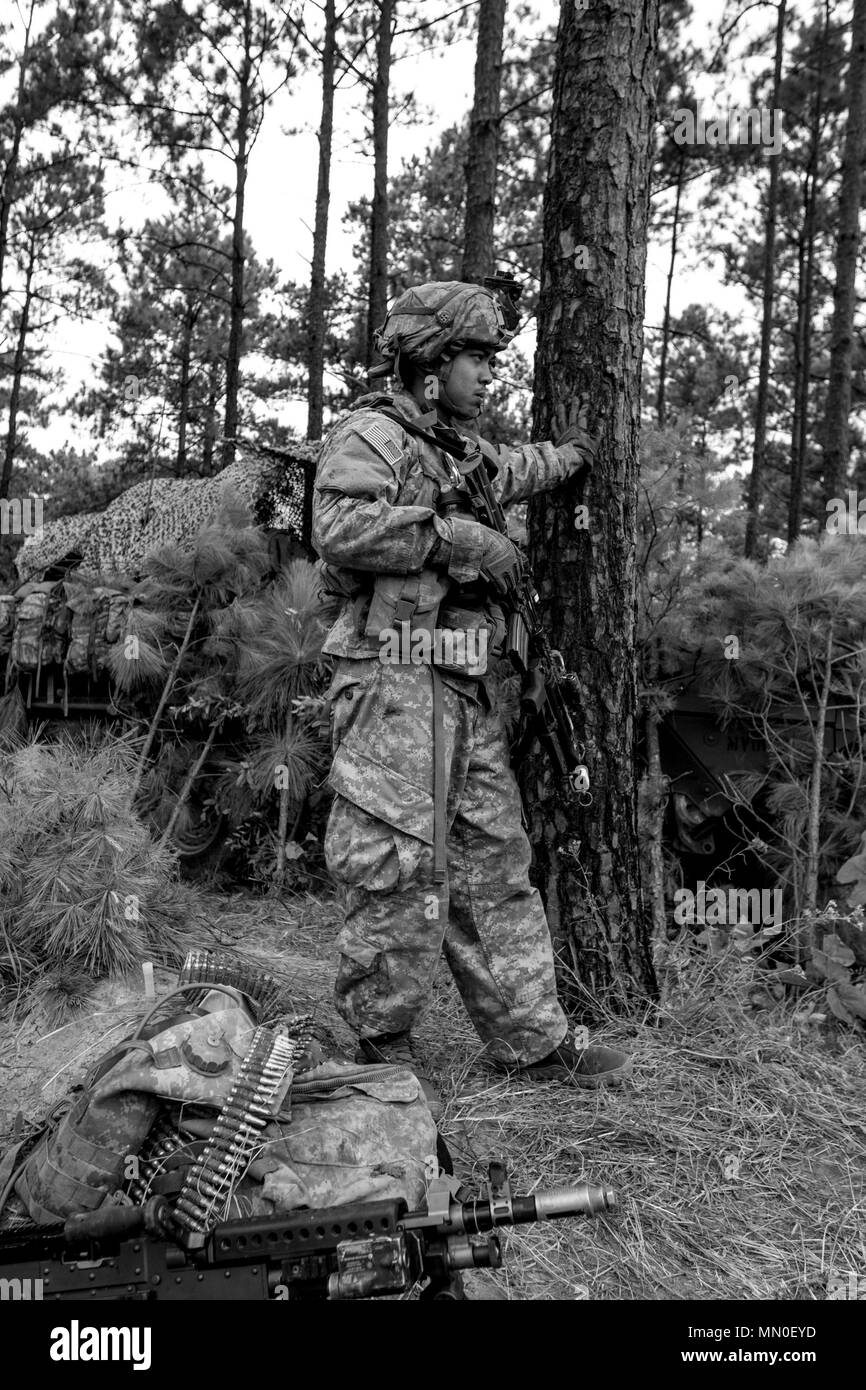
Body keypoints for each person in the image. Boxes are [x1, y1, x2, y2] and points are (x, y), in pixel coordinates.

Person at [312, 280, 631, 1105]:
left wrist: (572, 457)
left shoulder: (461, 449)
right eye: (477, 359)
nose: (490, 375)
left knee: (497, 860)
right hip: (396, 678)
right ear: (431, 361)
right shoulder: (372, 433)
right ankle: (381, 1041)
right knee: (398, 863)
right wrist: (458, 537)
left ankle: (531, 1037)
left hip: (465, 680)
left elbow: (517, 469)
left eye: (493, 360)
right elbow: (338, 525)